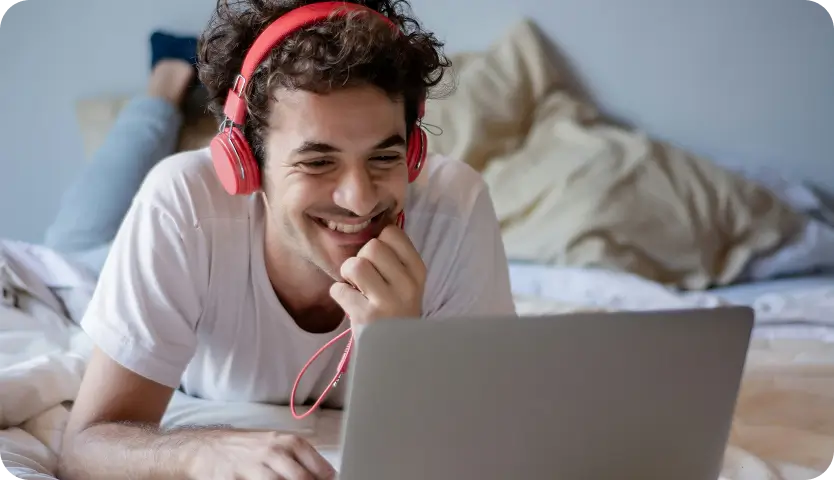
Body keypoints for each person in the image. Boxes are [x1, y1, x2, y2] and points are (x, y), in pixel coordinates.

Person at [57, 1, 515, 479]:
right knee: (81, 232)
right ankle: (167, 82)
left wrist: (400, 354)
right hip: (93, 264)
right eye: (318, 162)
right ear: (247, 165)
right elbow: (84, 446)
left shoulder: (455, 208)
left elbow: (488, 449)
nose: (360, 202)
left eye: (383, 158)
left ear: (414, 155)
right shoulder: (181, 203)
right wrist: (200, 453)